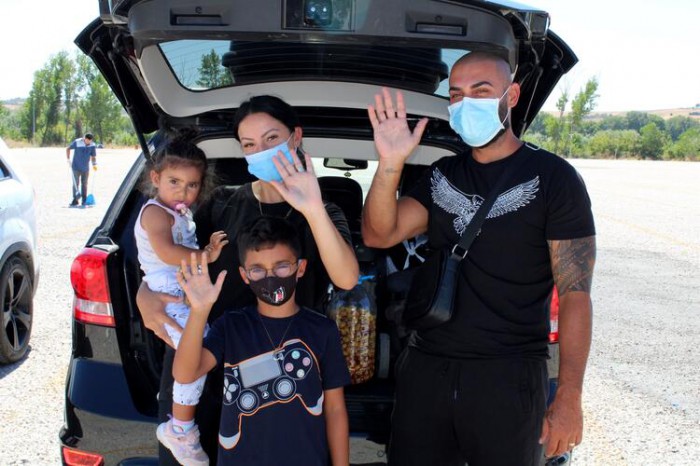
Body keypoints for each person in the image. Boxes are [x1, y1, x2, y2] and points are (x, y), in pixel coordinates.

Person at [361, 52, 596, 466]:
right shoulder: (442, 174)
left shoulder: (554, 178)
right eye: (456, 95)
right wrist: (390, 164)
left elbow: (576, 294)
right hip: (427, 369)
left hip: (508, 377)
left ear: (512, 96)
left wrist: (569, 396)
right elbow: (379, 233)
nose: (466, 103)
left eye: (481, 91)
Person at [136, 95, 359, 464]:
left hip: (280, 378)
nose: (261, 151)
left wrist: (312, 206)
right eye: (249, 144)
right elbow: (167, 256)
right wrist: (144, 293)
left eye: (272, 139)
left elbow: (347, 277)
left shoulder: (322, 213)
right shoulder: (220, 203)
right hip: (203, 366)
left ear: (296, 137)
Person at [173, 216, 350, 465]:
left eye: (281, 266)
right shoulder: (231, 326)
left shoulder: (322, 330)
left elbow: (335, 409)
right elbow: (185, 373)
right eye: (257, 270)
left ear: (300, 268)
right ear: (244, 275)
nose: (271, 276)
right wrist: (199, 311)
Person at [134, 128, 229, 465]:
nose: (183, 192)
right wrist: (206, 255)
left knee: (194, 354)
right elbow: (166, 251)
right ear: (155, 178)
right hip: (169, 296)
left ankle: (179, 414)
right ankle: (180, 428)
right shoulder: (155, 213)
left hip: (180, 293)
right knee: (194, 357)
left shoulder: (179, 213)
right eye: (174, 182)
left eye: (192, 185)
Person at [66, 133, 97, 208]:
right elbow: (68, 148)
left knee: (85, 184)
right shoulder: (77, 142)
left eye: (90, 141)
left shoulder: (92, 145)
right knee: (75, 184)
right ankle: (75, 200)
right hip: (75, 167)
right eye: (87, 140)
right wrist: (68, 159)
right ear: (84, 138)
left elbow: (93, 156)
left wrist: (94, 164)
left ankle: (84, 200)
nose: (88, 142)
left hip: (85, 168)